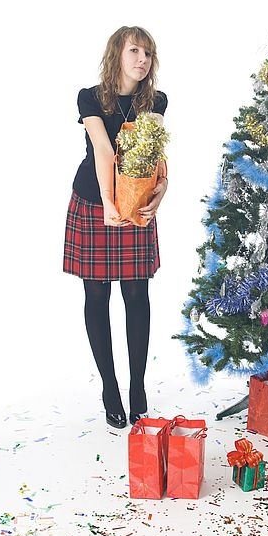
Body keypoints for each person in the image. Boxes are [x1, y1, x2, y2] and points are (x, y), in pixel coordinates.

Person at [63, 26, 168, 429]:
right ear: (117, 54)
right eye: (135, 51)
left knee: (137, 293)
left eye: (148, 54)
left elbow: (154, 153)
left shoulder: (156, 101)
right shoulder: (90, 97)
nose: (142, 60)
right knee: (97, 294)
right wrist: (109, 200)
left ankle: (137, 387)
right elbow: (104, 148)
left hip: (136, 204)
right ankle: (109, 387)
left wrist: (163, 188)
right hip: (93, 202)